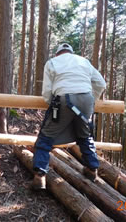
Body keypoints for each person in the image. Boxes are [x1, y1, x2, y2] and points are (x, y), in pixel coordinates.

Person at [31, 43, 106, 190]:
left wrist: (51, 103)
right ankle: (92, 169)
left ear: (58, 53)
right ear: (71, 52)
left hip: (64, 100)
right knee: (85, 136)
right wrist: (91, 100)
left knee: (46, 137)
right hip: (86, 100)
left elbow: (47, 90)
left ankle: (39, 176)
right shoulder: (84, 61)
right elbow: (101, 83)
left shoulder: (52, 62)